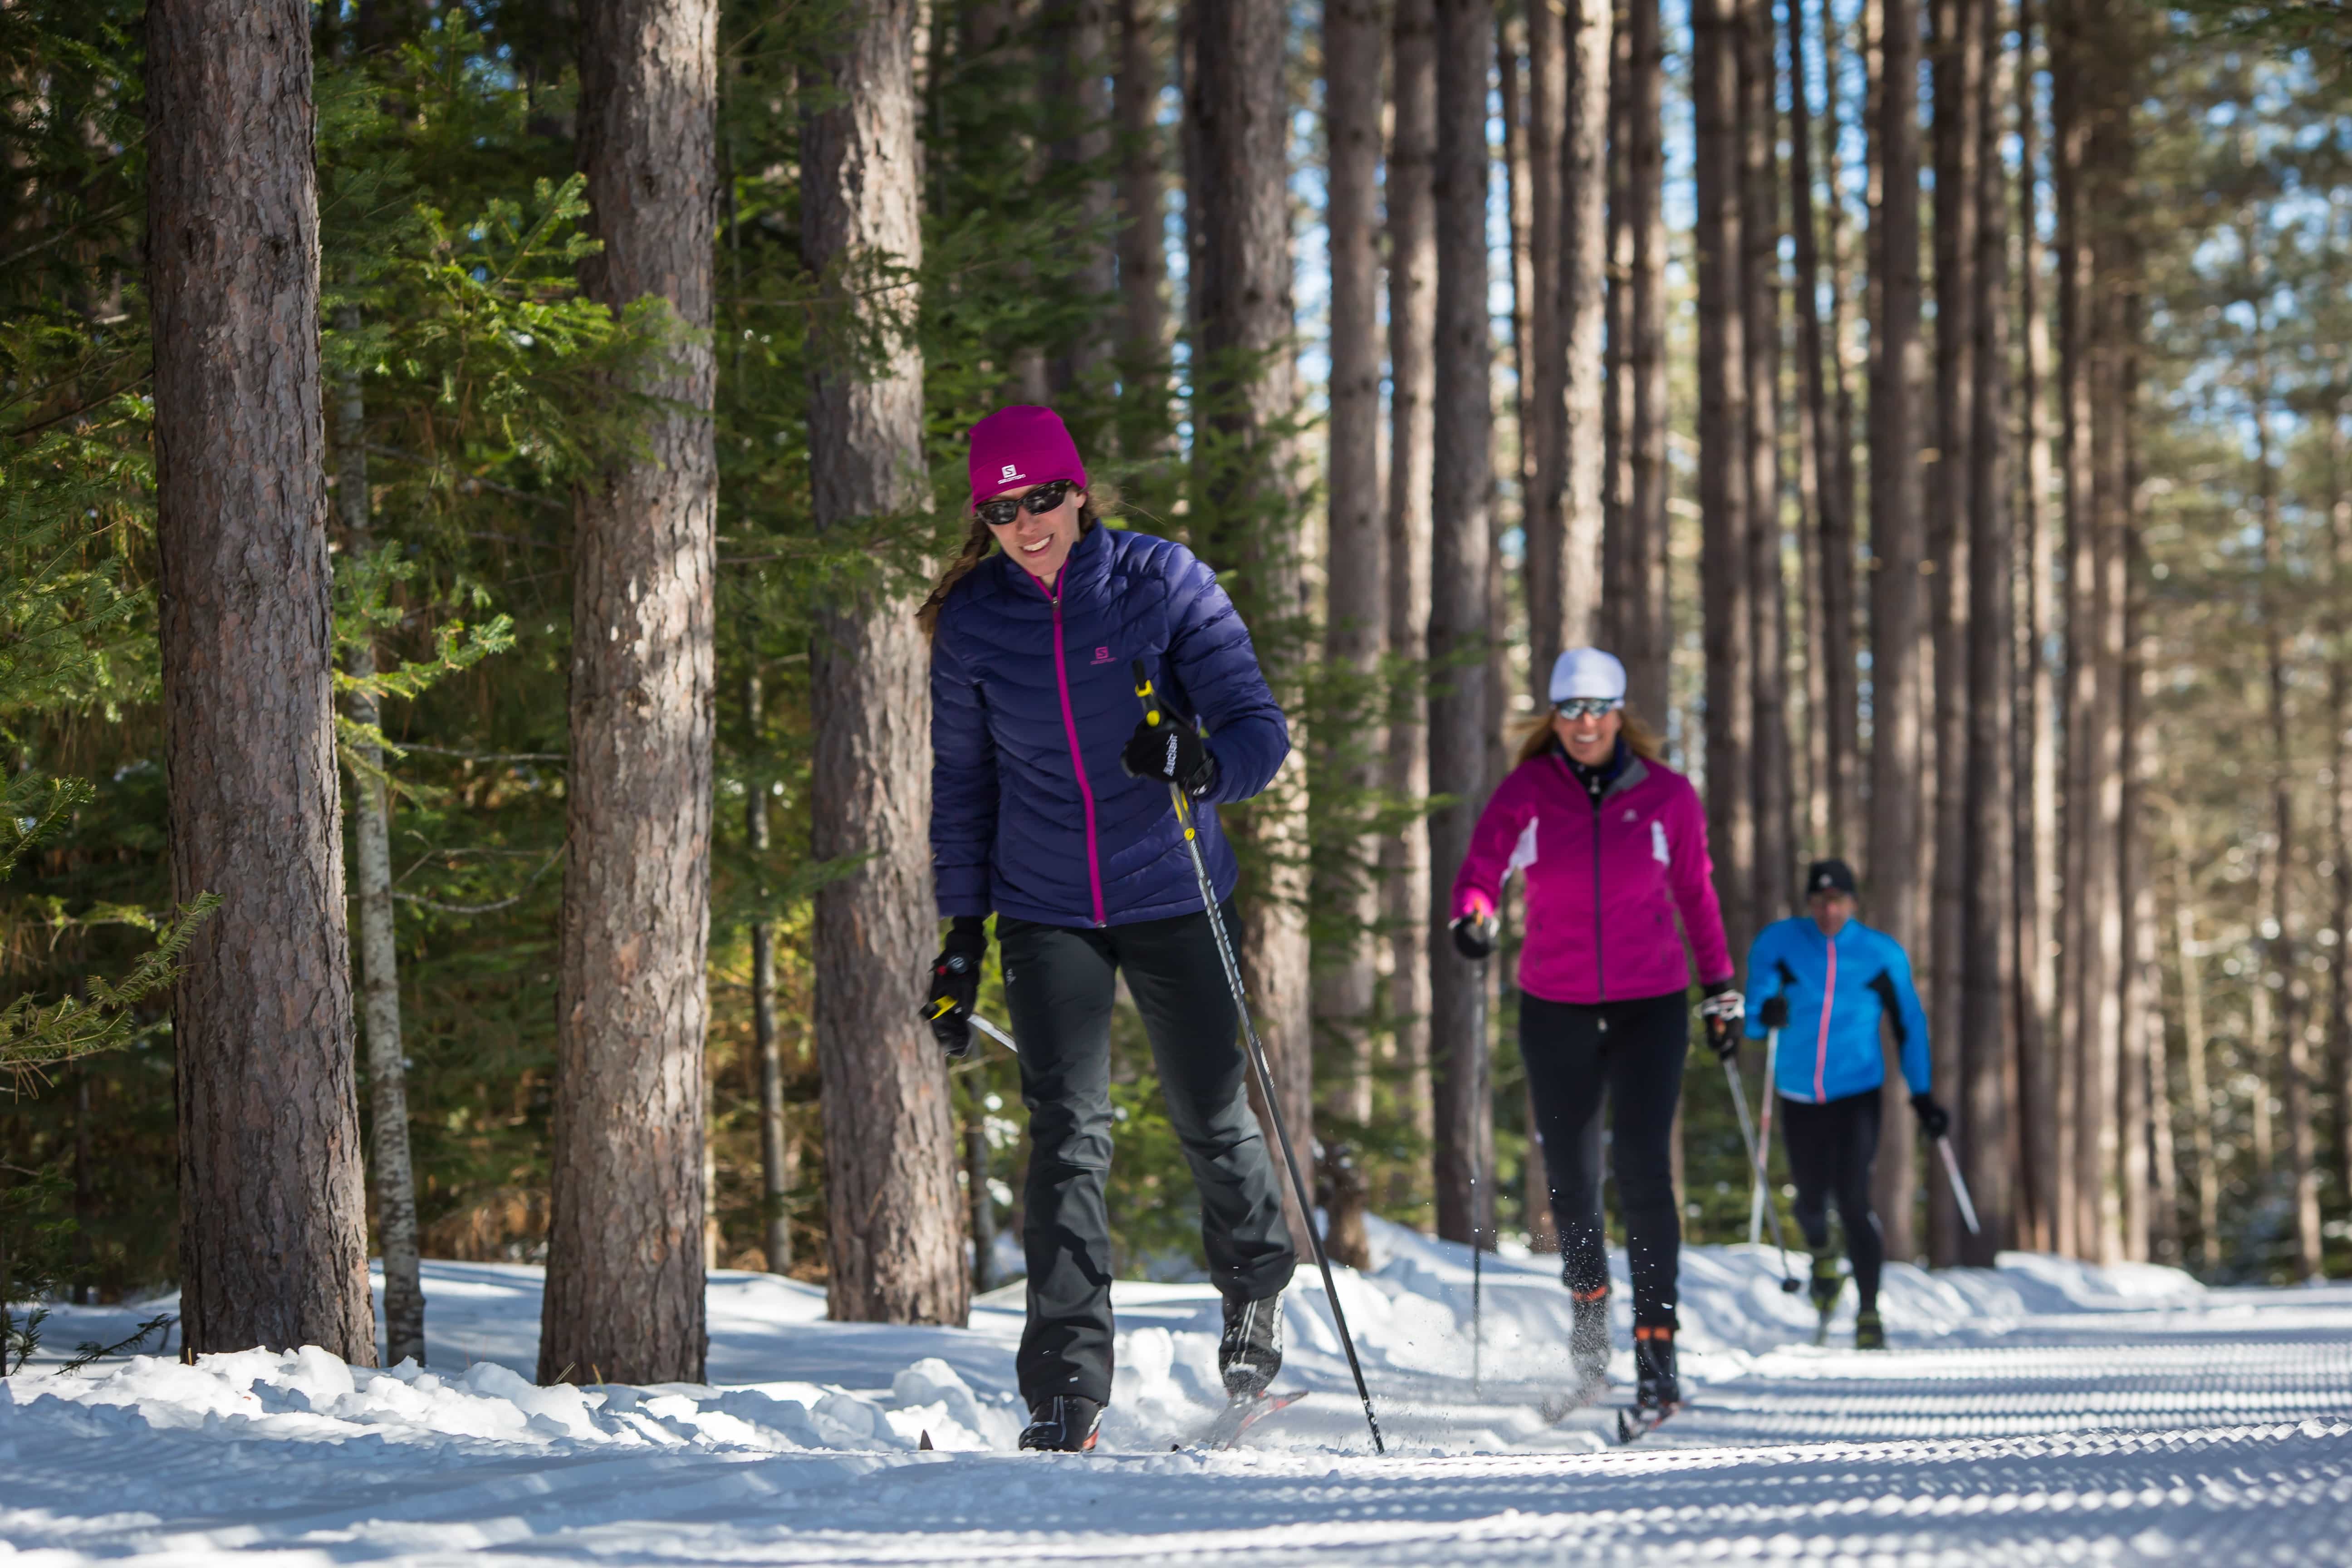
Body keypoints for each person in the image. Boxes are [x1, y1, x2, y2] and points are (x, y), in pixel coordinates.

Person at [920, 405, 1297, 1453]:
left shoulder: (1161, 581)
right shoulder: (972, 623)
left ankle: (1255, 1300)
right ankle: (1066, 1387)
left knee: (1211, 1113)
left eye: (1042, 496)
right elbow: (963, 785)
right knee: (1067, 1137)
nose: (1027, 522)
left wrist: (1200, 760)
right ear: (983, 520)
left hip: (1174, 881)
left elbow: (1258, 730)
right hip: (1045, 902)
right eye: (1001, 509)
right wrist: (962, 936)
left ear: (1078, 490)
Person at [1447, 647, 1742, 1421]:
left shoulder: (1668, 796)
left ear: (1619, 714)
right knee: (1572, 1187)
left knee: (1644, 1170)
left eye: (1596, 709)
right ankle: (1588, 1316)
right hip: (1556, 1003)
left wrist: (1718, 989)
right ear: (1553, 715)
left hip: (1650, 1004)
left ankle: (1655, 1348)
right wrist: (1472, 916)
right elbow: (1482, 869)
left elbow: (1694, 892)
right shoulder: (1527, 792)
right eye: (1568, 710)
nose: (1583, 724)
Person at [1742, 858, 1950, 1350]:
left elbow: (1909, 1026)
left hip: (1857, 1092)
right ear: (1809, 903)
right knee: (1810, 1201)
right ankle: (1821, 1257)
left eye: (1837, 901)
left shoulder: (1881, 954)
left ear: (1853, 902)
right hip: (1798, 1092)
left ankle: (1869, 1312)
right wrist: (1763, 1014)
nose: (1828, 911)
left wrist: (1922, 1095)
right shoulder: (1780, 942)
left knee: (1854, 1199)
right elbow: (1754, 1015)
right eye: (1819, 901)